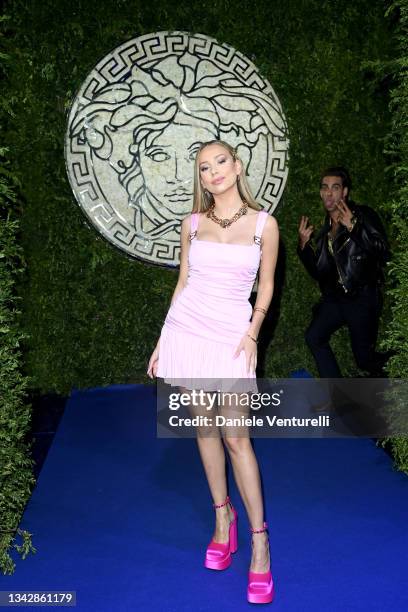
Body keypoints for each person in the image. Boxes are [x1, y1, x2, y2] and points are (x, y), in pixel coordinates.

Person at [147, 140, 279, 604]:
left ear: (237, 166)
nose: (214, 171)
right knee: (205, 429)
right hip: (188, 330)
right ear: (200, 178)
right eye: (205, 167)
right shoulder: (192, 224)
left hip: (231, 336)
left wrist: (253, 334)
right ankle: (223, 518)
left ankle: (259, 540)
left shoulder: (265, 224)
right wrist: (164, 340)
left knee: (236, 437)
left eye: (221, 161)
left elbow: (266, 287)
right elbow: (182, 282)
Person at [297, 166, 389, 378]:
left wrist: (355, 228)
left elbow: (383, 252)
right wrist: (303, 247)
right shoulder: (325, 229)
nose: (329, 193)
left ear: (345, 192)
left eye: (335, 188)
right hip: (337, 299)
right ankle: (338, 394)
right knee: (314, 337)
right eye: (325, 187)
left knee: (365, 360)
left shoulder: (363, 215)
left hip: (362, 297)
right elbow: (319, 272)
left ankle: (399, 364)